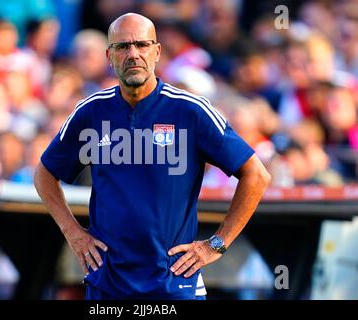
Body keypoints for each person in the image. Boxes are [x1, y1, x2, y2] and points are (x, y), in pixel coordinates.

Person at [34, 13, 271, 300]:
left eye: (142, 45)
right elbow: (44, 174)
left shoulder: (190, 111)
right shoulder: (91, 112)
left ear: (157, 51)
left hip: (174, 284)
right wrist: (73, 232)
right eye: (122, 47)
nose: (133, 54)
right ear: (109, 56)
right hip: (108, 284)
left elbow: (256, 175)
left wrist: (216, 244)